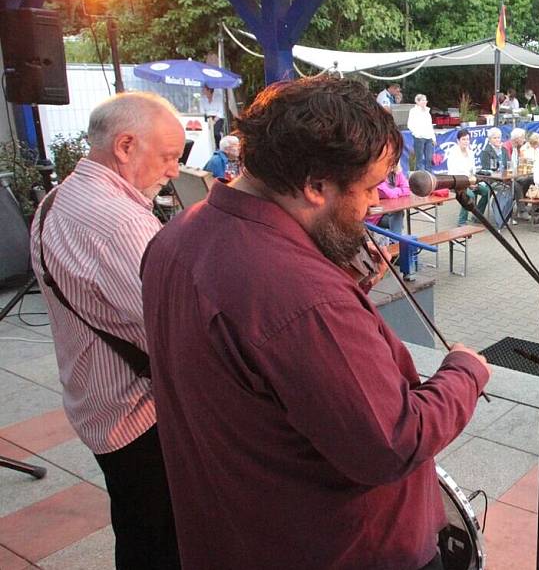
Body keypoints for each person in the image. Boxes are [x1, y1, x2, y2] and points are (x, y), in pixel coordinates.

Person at [141, 76, 490, 570]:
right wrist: (464, 372)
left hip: (234, 531)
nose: (373, 204)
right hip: (336, 548)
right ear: (314, 185)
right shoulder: (302, 297)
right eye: (368, 188)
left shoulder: (175, 235)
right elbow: (393, 442)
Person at [30, 92, 185, 570]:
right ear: (124, 146)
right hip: (137, 415)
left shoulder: (60, 195)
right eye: (168, 157)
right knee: (159, 541)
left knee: (137, 523)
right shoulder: (118, 223)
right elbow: (177, 331)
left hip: (95, 399)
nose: (174, 171)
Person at [445, 128, 490, 226]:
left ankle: (477, 216)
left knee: (487, 191)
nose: (466, 142)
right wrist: (468, 184)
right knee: (470, 195)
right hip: (457, 183)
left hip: (470, 181)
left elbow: (472, 170)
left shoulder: (470, 152)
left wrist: (473, 182)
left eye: (467, 139)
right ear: (458, 141)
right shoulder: (453, 153)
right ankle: (462, 221)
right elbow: (453, 173)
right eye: (463, 139)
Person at [406, 93, 435, 171]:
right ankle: (420, 176)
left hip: (429, 137)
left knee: (429, 158)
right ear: (417, 101)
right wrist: (416, 133)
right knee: (419, 158)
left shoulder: (427, 112)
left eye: (425, 100)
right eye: (423, 100)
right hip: (419, 137)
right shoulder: (413, 111)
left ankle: (429, 176)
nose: (425, 102)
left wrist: (433, 138)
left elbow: (430, 126)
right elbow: (410, 124)